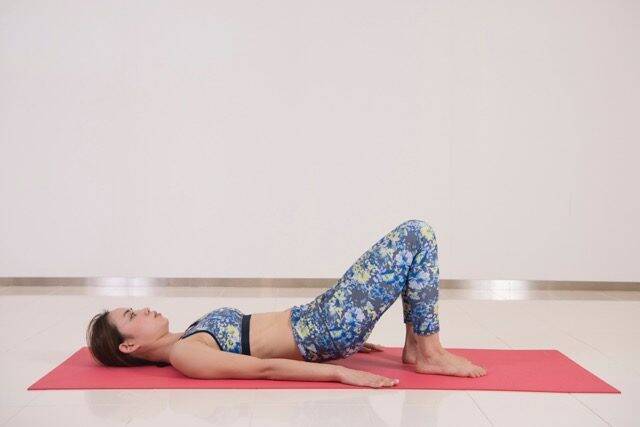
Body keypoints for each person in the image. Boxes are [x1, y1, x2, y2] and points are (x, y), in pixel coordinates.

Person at [87, 219, 487, 389]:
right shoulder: (185, 354)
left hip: (322, 319)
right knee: (417, 234)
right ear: (129, 345)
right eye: (132, 315)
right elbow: (264, 368)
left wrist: (341, 347)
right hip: (326, 326)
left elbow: (266, 341)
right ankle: (428, 350)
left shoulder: (188, 336)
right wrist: (340, 372)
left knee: (415, 243)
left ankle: (418, 346)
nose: (144, 309)